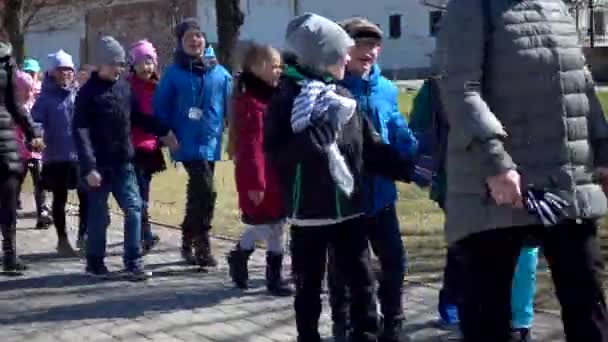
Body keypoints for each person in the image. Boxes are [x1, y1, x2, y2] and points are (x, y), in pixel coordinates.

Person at [435, 1, 608, 341]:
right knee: (487, 312)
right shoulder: (473, 7)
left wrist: (603, 149)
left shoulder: (556, 6)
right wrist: (495, 161)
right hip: (495, 188)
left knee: (587, 300)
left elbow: (581, 86)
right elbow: (460, 87)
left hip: (567, 180)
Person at [264, 13, 415, 342]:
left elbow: (370, 148)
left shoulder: (344, 97)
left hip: (350, 210)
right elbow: (274, 154)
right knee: (308, 289)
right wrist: (308, 141)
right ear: (323, 56)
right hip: (309, 215)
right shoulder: (286, 97)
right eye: (342, 52)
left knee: (363, 285)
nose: (349, 57)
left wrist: (410, 166)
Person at [409, 77, 540, 341]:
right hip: (457, 183)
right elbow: (419, 131)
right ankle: (455, 302)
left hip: (513, 176)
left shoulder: (514, 74)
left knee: (523, 248)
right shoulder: (437, 85)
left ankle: (519, 321)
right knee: (467, 249)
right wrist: (427, 168)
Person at [325, 17, 418, 342]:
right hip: (346, 198)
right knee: (344, 269)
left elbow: (395, 126)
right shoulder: (332, 89)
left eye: (375, 45)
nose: (370, 51)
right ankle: (343, 324)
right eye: (362, 44)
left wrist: (412, 153)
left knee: (394, 260)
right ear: (344, 50)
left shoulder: (386, 88)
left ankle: (393, 321)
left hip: (382, 196)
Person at [73, 36, 176, 280]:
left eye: (121, 64)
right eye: (114, 64)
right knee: (99, 216)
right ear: (101, 64)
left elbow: (138, 117)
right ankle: (95, 262)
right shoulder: (87, 94)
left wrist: (164, 130)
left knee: (135, 208)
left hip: (124, 162)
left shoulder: (124, 88)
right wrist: (89, 167)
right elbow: (80, 131)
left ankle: (133, 260)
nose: (119, 68)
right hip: (98, 166)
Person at [154, 18, 232, 268]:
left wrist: (237, 135)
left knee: (199, 194)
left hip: (211, 140)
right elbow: (160, 106)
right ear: (181, 43)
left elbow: (231, 106)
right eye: (189, 37)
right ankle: (202, 245)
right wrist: (165, 133)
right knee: (207, 190)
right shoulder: (173, 73)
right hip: (185, 142)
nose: (195, 41)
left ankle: (187, 239)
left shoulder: (219, 72)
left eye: (198, 36)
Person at [226, 43, 292, 296]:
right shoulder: (252, 104)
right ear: (256, 68)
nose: (278, 71)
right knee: (264, 225)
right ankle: (240, 254)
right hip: (260, 176)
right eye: (273, 66)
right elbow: (252, 147)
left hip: (277, 173)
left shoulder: (273, 97)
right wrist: (256, 183)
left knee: (278, 225)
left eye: (280, 66)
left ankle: (274, 278)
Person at [31, 49, 87, 256]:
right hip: (56, 156)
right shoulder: (45, 98)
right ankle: (62, 240)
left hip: (79, 155)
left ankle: (84, 236)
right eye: (61, 69)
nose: (66, 73)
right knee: (60, 199)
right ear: (52, 72)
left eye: (69, 69)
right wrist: (37, 135)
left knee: (86, 196)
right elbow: (35, 121)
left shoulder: (78, 94)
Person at [0, 35, 44, 274]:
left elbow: (14, 103)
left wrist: (32, 131)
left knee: (7, 197)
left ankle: (9, 255)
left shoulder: (5, 57)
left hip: (4, 138)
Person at [128, 39, 166, 254]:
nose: (147, 66)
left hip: (151, 147)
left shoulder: (157, 87)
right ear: (133, 64)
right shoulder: (128, 86)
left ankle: (145, 233)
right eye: (142, 62)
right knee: (138, 194)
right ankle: (142, 236)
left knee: (145, 193)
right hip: (134, 147)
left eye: (150, 61)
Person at [13, 70, 51, 230]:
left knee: (40, 182)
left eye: (31, 89)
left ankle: (42, 211)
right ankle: (11, 206)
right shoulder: (11, 107)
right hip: (18, 153)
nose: (29, 93)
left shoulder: (34, 103)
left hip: (35, 153)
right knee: (15, 182)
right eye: (25, 90)